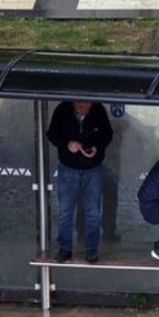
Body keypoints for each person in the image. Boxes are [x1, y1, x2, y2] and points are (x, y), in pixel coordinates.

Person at [46, 101, 113, 263]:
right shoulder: (62, 109)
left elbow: (107, 134)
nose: (85, 110)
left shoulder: (98, 110)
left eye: (88, 107)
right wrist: (67, 144)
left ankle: (91, 249)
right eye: (81, 107)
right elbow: (52, 134)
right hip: (68, 167)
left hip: (93, 168)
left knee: (93, 212)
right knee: (65, 211)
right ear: (73, 104)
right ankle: (65, 248)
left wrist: (97, 148)